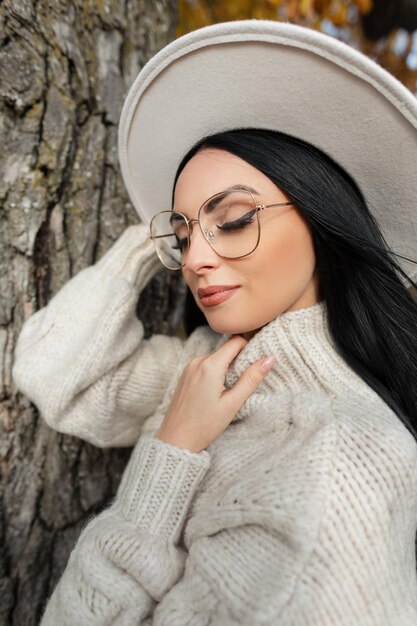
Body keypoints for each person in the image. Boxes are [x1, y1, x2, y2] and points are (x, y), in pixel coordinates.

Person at [12, 19, 417, 626]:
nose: (195, 258)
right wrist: (144, 241)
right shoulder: (205, 365)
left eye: (231, 220)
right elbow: (55, 377)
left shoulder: (334, 468)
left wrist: (172, 451)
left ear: (322, 218)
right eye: (182, 236)